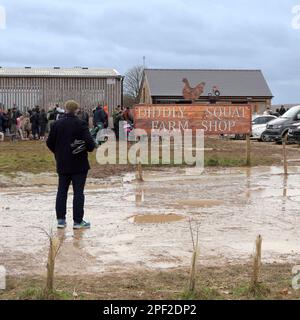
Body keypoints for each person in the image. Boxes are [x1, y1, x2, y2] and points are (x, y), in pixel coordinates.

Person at [46, 100, 96, 230]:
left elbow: (49, 142)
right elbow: (90, 145)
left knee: (61, 191)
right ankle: (78, 221)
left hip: (62, 163)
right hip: (79, 164)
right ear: (77, 110)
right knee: (78, 193)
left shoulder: (56, 124)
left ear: (65, 109)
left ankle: (61, 220)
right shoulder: (81, 124)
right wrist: (86, 147)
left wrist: (58, 153)